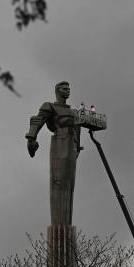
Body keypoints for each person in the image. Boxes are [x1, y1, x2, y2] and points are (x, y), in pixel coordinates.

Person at [26, 81, 82, 226]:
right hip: (59, 142)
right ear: (57, 90)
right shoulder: (50, 106)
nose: (68, 90)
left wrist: (77, 146)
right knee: (59, 182)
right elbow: (37, 120)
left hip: (71, 146)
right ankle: (59, 224)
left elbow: (78, 128)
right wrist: (31, 138)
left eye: (69, 88)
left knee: (69, 185)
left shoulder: (74, 112)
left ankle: (66, 224)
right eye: (65, 88)